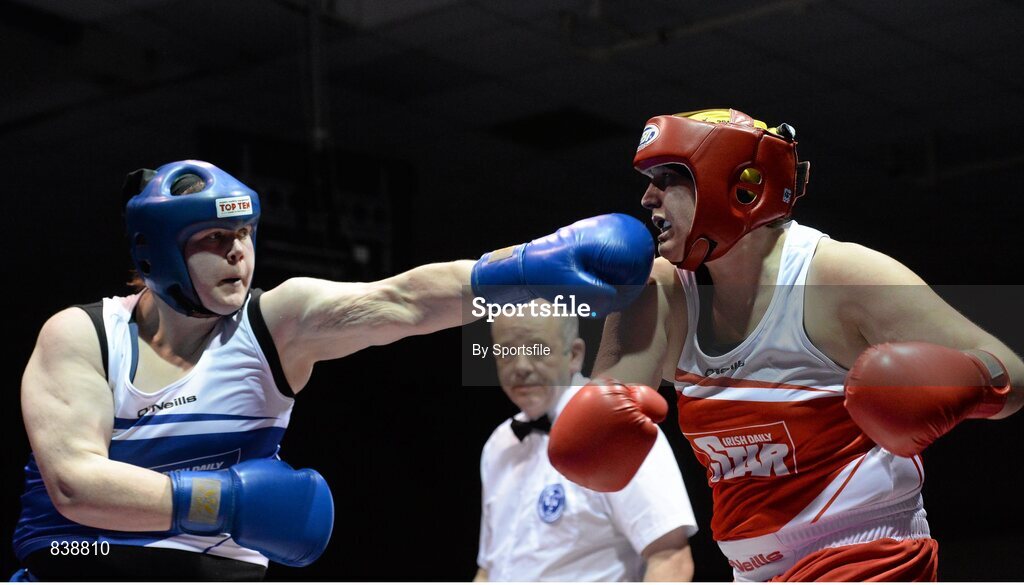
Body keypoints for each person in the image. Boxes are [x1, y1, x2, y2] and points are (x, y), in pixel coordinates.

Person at [13, 160, 655, 580]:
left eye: (245, 235)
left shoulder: (275, 323)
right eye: (213, 239)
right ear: (157, 252)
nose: (239, 254)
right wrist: (230, 502)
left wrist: (523, 271)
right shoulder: (85, 335)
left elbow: (405, 301)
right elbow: (74, 483)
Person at [547, 109, 1023, 582]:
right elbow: (599, 440)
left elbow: (1013, 375)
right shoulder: (662, 291)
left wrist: (964, 382)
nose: (648, 197)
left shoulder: (839, 277)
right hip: (751, 571)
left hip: (866, 553)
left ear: (741, 187)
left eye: (670, 176)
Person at [476, 303, 698, 582]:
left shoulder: (615, 428)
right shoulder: (499, 444)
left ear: (575, 355)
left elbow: (670, 559)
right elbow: (489, 569)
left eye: (537, 349)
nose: (520, 366)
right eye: (507, 351)